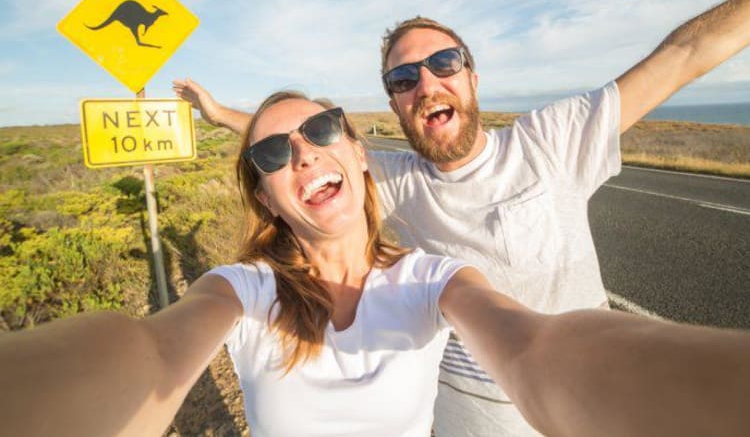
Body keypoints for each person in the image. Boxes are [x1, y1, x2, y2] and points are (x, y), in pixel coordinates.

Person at [172, 0, 750, 435]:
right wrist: (223, 114)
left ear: (472, 76)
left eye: (443, 63)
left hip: (589, 402)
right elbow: (304, 151)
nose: (426, 83)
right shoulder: (388, 180)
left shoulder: (550, 140)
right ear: (395, 105)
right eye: (403, 78)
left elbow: (684, 55)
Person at [1, 91, 749, 437]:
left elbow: (537, 348)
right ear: (264, 195)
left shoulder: (430, 280)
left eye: (322, 129)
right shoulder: (245, 291)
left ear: (359, 155)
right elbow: (151, 351)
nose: (301, 152)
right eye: (271, 153)